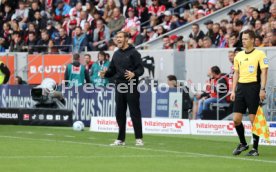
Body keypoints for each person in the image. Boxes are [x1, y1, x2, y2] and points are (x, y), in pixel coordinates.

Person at [100, 31, 144, 146]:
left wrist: (134, 74)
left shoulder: (134, 52)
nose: (118, 39)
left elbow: (141, 69)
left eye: (120, 37)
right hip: (119, 86)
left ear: (126, 39)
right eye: (117, 37)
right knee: (119, 113)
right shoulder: (116, 54)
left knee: (134, 112)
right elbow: (112, 71)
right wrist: (105, 73)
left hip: (131, 85)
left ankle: (138, 138)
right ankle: (121, 139)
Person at [231, 29, 269, 156]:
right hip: (241, 88)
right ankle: (243, 143)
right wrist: (233, 90)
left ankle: (255, 149)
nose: (243, 41)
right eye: (242, 39)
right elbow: (236, 73)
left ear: (252, 40)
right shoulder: (238, 56)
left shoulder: (260, 54)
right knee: (236, 119)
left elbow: (264, 72)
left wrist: (262, 89)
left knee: (254, 119)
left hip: (254, 88)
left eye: (246, 39)